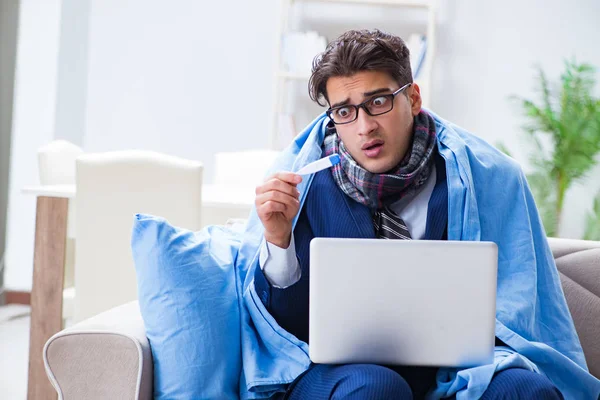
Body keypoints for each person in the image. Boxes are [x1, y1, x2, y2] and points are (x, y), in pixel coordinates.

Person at [248, 29, 598, 399]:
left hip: (461, 369)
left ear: (413, 98)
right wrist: (278, 240)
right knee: (377, 387)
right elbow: (282, 329)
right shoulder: (305, 186)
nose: (365, 126)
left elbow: (518, 310)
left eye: (378, 101)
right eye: (345, 112)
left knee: (526, 390)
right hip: (343, 376)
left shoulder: (486, 179)